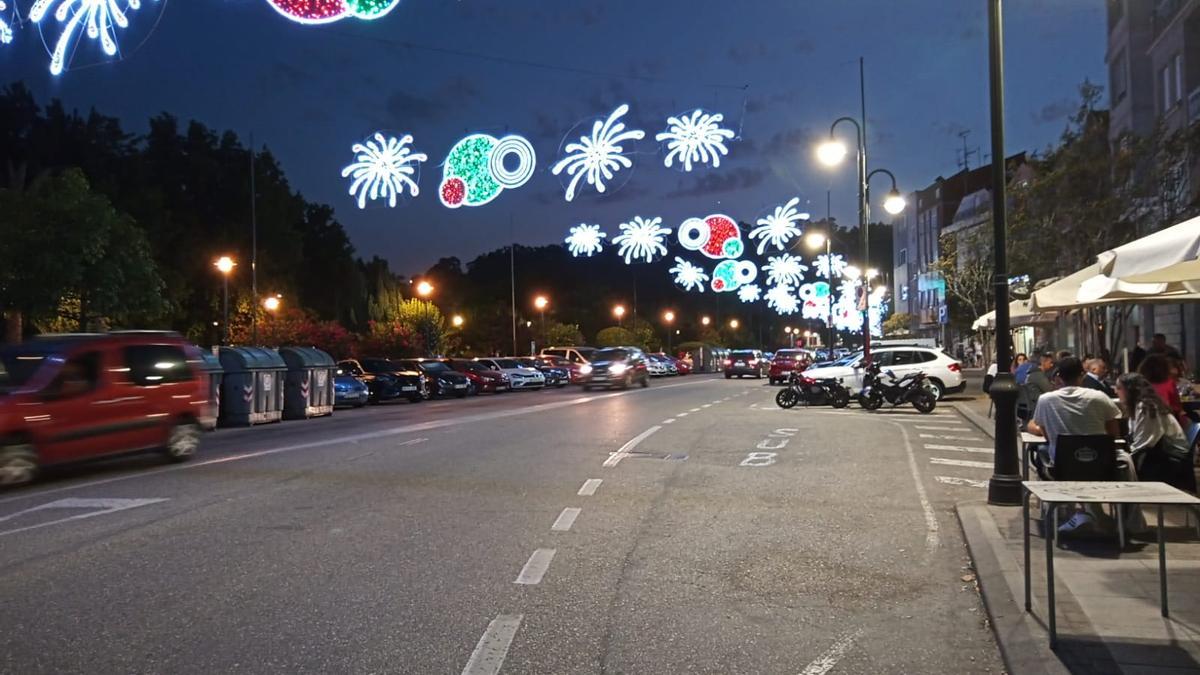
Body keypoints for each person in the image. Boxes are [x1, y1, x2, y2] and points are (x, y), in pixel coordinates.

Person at [1028, 357, 1130, 533]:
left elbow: (1046, 434)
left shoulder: (1046, 400)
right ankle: (1094, 515)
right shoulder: (1099, 397)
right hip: (1101, 464)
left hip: (1061, 466)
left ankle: (1078, 513)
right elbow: (1114, 433)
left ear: (1059, 376)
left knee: (1042, 452)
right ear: (1082, 375)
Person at [1117, 373, 1192, 488]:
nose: (1116, 392)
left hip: (1169, 456)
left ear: (1129, 390)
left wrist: (1124, 456)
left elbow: (1145, 442)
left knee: (1119, 465)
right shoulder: (1139, 406)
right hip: (1158, 453)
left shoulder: (1147, 407)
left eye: (1119, 388)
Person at [1139, 353, 1186, 427]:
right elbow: (1177, 406)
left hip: (1147, 424)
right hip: (1171, 424)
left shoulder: (1141, 385)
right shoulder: (1170, 383)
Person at [1018, 352, 1056, 424]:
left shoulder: (1032, 374)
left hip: (1034, 404)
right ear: (1043, 362)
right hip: (1039, 406)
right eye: (1050, 362)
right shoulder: (1038, 375)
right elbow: (1050, 390)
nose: (1052, 365)